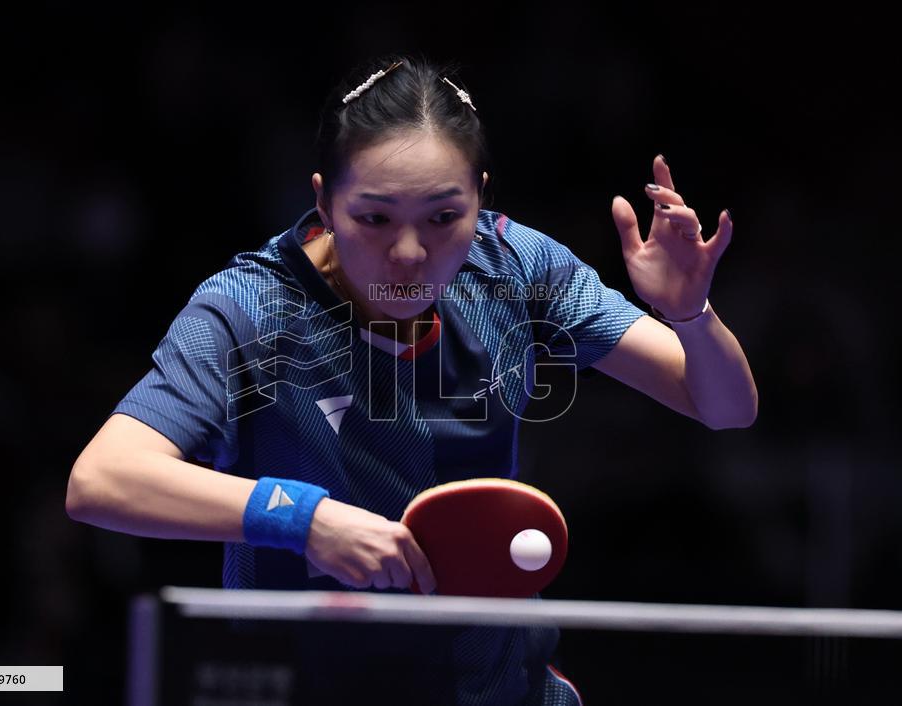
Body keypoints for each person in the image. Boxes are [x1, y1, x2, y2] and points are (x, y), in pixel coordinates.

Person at [65, 53, 757, 705]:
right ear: (324, 200)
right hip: (300, 685)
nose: (408, 252)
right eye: (373, 218)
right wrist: (307, 522)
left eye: (442, 218)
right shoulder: (251, 308)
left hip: (492, 688)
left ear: (480, 198)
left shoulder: (518, 270)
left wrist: (689, 314)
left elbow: (724, 408)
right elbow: (102, 480)